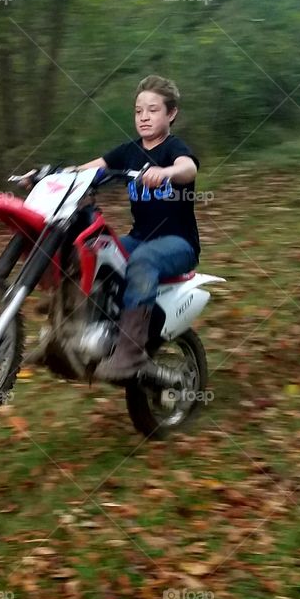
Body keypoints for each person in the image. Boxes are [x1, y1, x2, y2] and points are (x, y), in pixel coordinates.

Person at [77, 74, 200, 382]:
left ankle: (131, 353)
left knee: (143, 260)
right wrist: (47, 174)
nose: (144, 116)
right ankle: (83, 326)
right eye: (138, 110)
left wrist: (166, 172)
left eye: (153, 109)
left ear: (171, 113)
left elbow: (189, 168)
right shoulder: (129, 150)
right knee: (93, 252)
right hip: (140, 237)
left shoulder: (173, 148)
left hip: (178, 243)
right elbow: (87, 169)